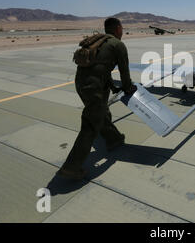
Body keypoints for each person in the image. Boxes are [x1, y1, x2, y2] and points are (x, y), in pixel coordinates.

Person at [57, 18, 137, 180]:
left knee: (101, 112)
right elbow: (124, 73)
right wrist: (128, 88)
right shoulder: (117, 44)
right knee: (90, 126)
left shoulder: (99, 41)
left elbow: (100, 68)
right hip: (94, 88)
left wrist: (113, 88)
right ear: (117, 29)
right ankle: (71, 167)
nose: (122, 31)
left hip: (82, 84)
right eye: (121, 28)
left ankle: (114, 139)